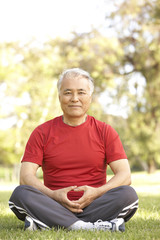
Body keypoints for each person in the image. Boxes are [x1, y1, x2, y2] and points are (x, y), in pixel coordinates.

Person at [9, 68, 138, 232]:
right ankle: (87, 226)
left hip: (95, 204)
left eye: (81, 92)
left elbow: (125, 175)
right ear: (60, 97)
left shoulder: (105, 131)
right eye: (68, 92)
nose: (75, 99)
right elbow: (26, 177)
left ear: (89, 97)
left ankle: (48, 222)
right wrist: (54, 196)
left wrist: (96, 193)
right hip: (53, 203)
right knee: (21, 194)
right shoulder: (42, 132)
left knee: (128, 195)